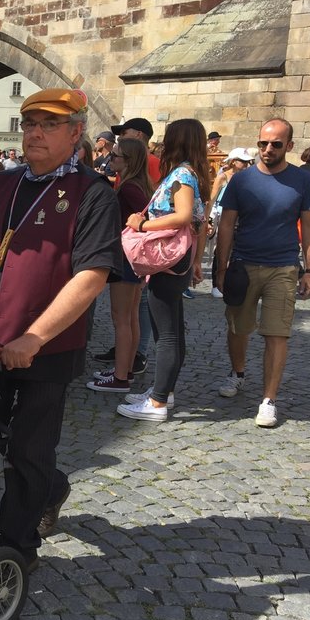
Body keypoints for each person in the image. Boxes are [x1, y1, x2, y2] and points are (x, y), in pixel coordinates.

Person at [0, 88, 122, 569]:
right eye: (30, 124)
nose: (36, 133)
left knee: (28, 448)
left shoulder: (94, 194)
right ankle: (52, 484)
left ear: (74, 133)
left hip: (44, 349)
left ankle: (16, 549)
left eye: (49, 124)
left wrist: (35, 337)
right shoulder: (0, 184)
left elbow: (91, 277)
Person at [215, 118, 310, 427]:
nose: (268, 149)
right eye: (263, 143)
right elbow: (226, 225)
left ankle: (268, 400)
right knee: (238, 326)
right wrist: (221, 267)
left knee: (277, 333)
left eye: (275, 144)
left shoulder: (302, 180)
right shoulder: (242, 180)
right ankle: (238, 372)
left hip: (284, 267)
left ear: (289, 146)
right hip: (243, 264)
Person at [118, 119, 209, 423]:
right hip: (178, 258)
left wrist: (142, 224)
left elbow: (182, 216)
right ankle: (164, 391)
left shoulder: (182, 174)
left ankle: (158, 402)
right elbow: (199, 221)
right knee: (173, 330)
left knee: (166, 333)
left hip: (168, 258)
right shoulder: (191, 172)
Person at [87, 138, 153, 392]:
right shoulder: (135, 183)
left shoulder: (128, 188)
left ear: (129, 161)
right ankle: (125, 368)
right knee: (131, 316)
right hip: (132, 259)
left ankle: (121, 378)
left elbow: (138, 220)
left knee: (121, 318)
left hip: (126, 258)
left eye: (115, 156)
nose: (109, 159)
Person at [207, 147, 256, 298]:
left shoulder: (249, 177)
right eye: (243, 161)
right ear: (234, 162)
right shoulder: (223, 177)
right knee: (221, 248)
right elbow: (212, 198)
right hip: (223, 216)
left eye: (248, 162)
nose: (247, 165)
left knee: (239, 249)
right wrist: (208, 220)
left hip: (242, 217)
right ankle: (216, 282)